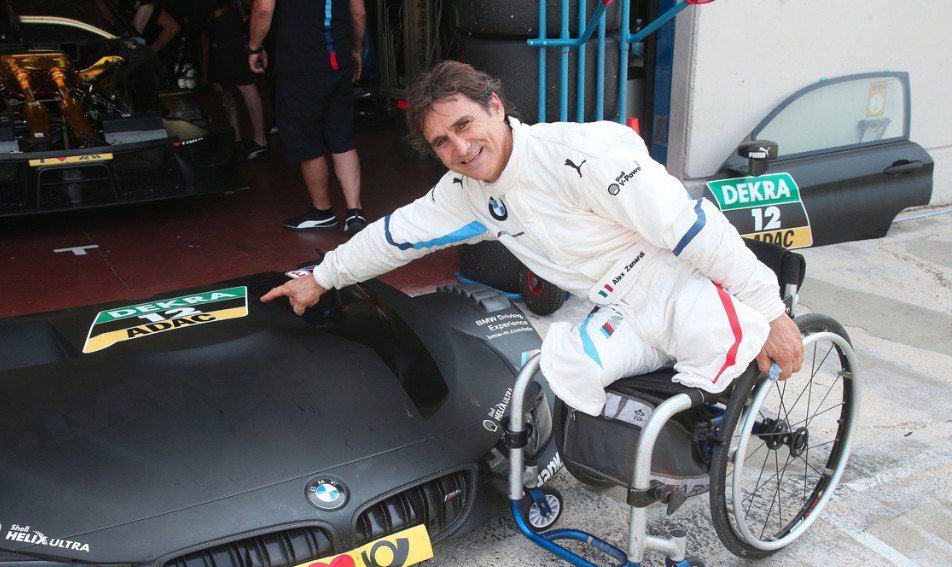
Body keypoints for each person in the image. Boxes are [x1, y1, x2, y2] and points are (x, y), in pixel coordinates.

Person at [261, 61, 803, 416]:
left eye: (466, 124)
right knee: (562, 369)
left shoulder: (579, 157)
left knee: (704, 376)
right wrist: (320, 278)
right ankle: (647, 448)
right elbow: (392, 238)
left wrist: (773, 313)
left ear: (496, 106)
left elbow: (696, 231)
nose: (461, 148)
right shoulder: (462, 192)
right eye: (442, 143)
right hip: (615, 308)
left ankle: (707, 417)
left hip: (681, 282)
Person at [247, 0, 368, 234]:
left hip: (298, 64)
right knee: (341, 137)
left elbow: (263, 8)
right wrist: (355, 49)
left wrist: (254, 47)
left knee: (306, 140)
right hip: (337, 62)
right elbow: (359, 12)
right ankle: (355, 212)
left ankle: (322, 212)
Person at [196, 0, 268, 160]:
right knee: (220, 82)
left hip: (226, 23)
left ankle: (259, 141)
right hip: (214, 24)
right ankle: (235, 139)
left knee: (244, 82)